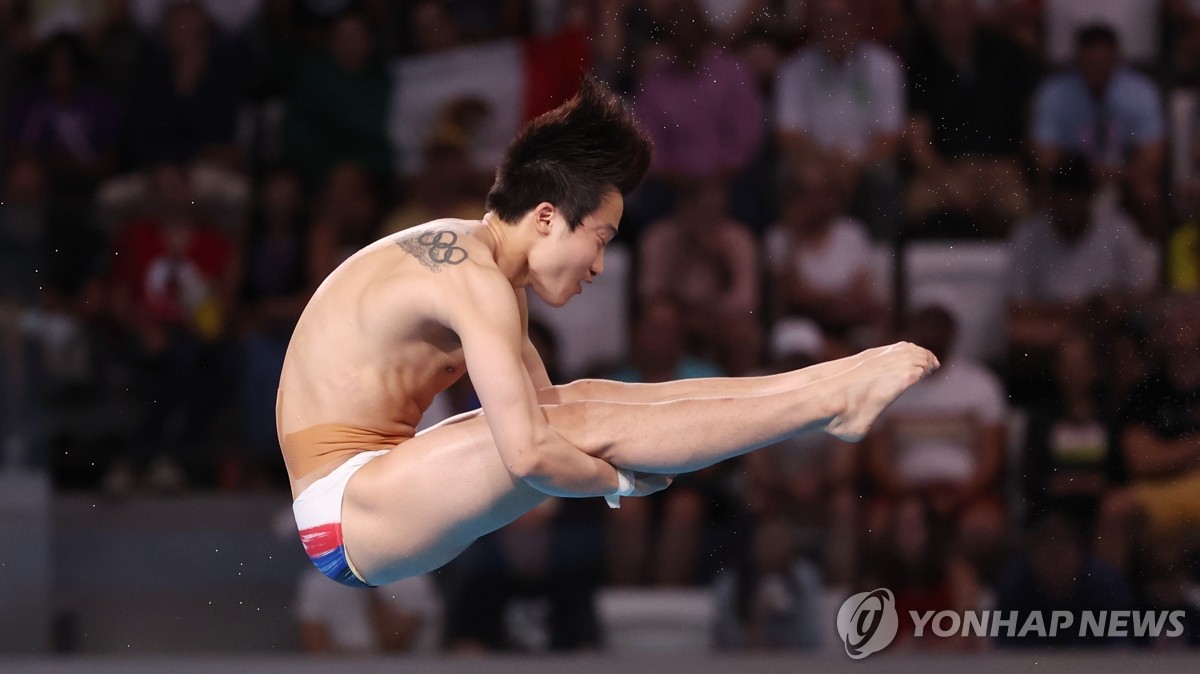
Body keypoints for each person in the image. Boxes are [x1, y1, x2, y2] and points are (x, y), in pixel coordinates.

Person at [278, 75, 939, 589]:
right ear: (545, 218)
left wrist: (621, 455)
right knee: (575, 422)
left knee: (584, 397)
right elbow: (532, 455)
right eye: (598, 239)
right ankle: (828, 403)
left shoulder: (480, 268)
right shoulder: (474, 282)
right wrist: (618, 481)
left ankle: (826, 384)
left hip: (371, 491)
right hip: (347, 509)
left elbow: (557, 414)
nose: (599, 265)